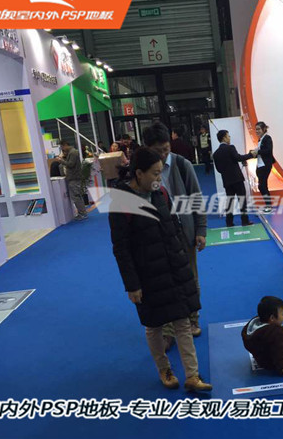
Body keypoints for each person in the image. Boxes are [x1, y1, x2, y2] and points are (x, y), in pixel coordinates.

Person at [108, 147, 212, 392]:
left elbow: (174, 227)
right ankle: (164, 370)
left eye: (159, 173)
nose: (158, 178)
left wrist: (182, 261)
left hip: (173, 268)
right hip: (147, 276)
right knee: (154, 326)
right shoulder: (121, 203)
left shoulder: (161, 193)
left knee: (183, 322)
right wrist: (132, 285)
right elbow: (121, 249)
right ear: (138, 173)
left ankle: (192, 376)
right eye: (154, 173)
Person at [143, 122, 207, 343]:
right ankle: (169, 330)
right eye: (157, 150)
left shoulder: (182, 164)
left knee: (189, 278)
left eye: (166, 148)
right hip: (158, 235)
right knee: (164, 282)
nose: (163, 154)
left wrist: (201, 230)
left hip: (183, 231)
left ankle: (193, 319)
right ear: (147, 148)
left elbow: (196, 198)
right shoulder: (144, 170)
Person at [212, 129, 255, 227]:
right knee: (242, 200)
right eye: (228, 136)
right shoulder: (230, 148)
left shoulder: (216, 154)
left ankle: (229, 222)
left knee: (229, 201)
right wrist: (251, 155)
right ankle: (244, 221)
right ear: (224, 138)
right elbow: (238, 157)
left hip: (227, 181)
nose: (229, 138)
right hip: (237, 179)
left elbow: (219, 169)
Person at [56, 141, 87, 221]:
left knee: (76, 197)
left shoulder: (73, 152)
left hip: (74, 177)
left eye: (62, 147)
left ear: (65, 145)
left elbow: (70, 164)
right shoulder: (72, 152)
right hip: (74, 177)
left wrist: (61, 160)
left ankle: (82, 213)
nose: (62, 149)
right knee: (77, 196)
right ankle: (82, 213)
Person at [254, 121, 275, 213]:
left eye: (258, 129)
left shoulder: (267, 138)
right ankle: (267, 205)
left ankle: (269, 206)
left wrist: (257, 152)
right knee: (261, 186)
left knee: (262, 186)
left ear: (264, 129)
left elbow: (268, 151)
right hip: (259, 165)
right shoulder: (260, 139)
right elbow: (260, 152)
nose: (257, 131)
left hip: (265, 165)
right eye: (256, 129)